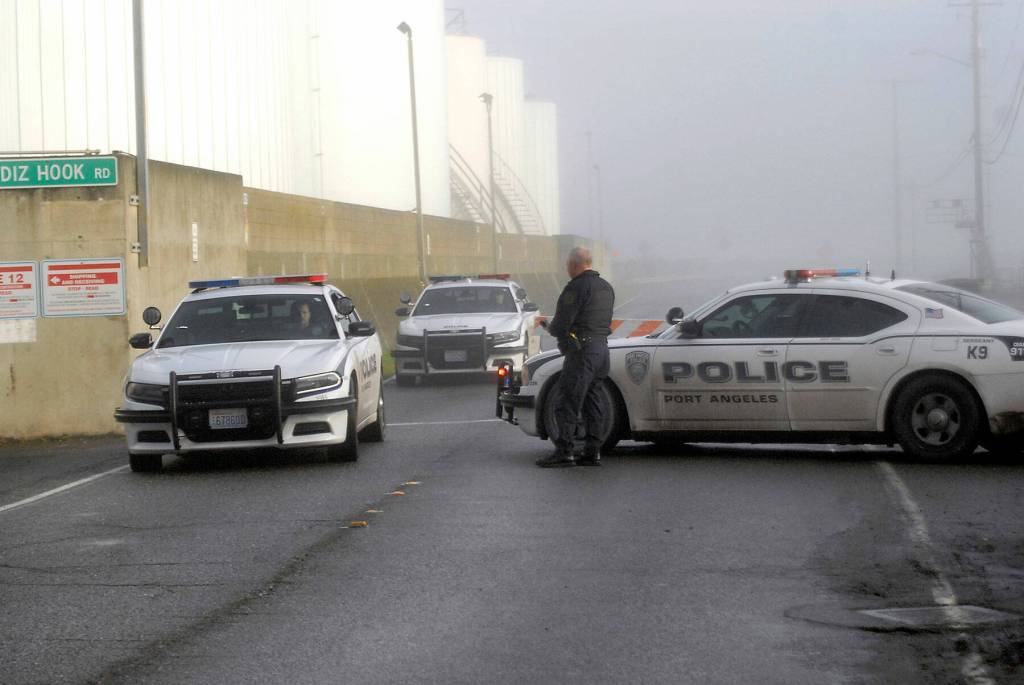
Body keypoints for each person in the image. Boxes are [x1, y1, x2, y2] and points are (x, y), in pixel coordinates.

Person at [536, 247, 615, 468]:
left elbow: (563, 323)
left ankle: (565, 451)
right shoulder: (606, 287)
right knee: (594, 400)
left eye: (567, 264)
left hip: (582, 352)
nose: (566, 268)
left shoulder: (576, 287)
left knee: (567, 400)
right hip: (601, 350)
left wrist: (552, 329)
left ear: (574, 264)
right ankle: (592, 452)